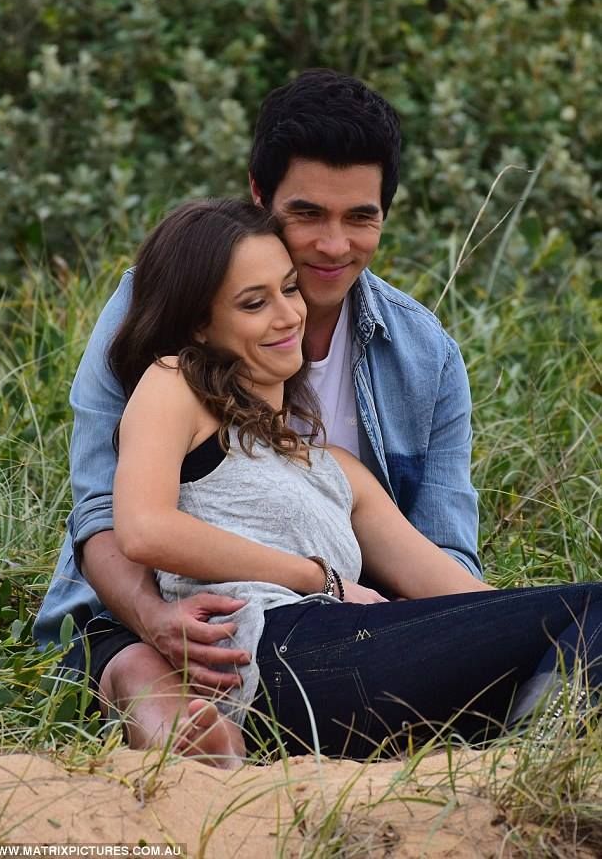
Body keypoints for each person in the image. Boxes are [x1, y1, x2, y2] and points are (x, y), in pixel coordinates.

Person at [35, 69, 481, 734]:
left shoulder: (426, 355)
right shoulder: (157, 307)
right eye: (308, 214)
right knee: (137, 661)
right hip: (151, 607)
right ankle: (179, 733)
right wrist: (155, 620)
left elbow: (445, 555)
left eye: (360, 217)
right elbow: (108, 515)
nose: (334, 245)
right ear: (258, 196)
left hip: (349, 622)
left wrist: (461, 630)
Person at [100, 198, 600, 768]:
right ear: (200, 324)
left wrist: (528, 627)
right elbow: (143, 529)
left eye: (290, 289)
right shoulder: (175, 385)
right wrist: (319, 578)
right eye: (254, 303)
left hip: (341, 668)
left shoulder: (337, 468)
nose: (288, 315)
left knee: (575, 626)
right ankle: (546, 758)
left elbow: (463, 600)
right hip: (268, 649)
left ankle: (540, 755)